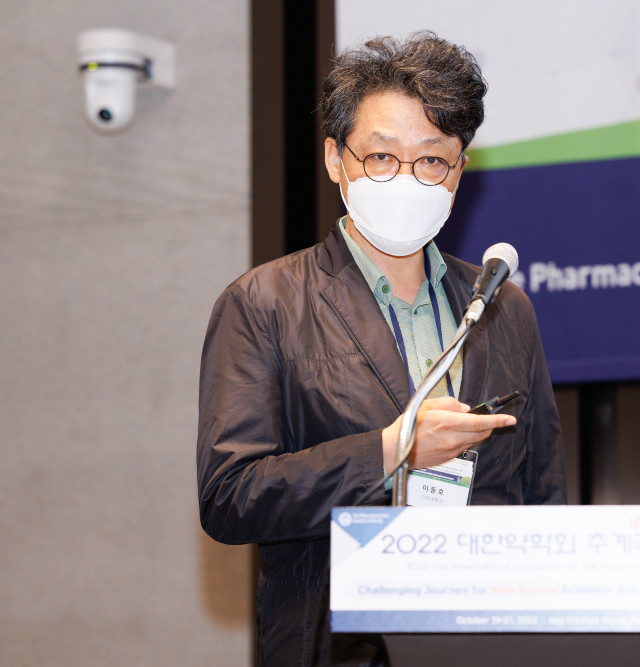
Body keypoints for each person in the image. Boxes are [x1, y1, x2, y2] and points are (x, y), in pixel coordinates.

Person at [196, 32, 567, 665]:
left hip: (487, 642)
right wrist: (392, 451)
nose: (407, 180)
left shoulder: (502, 307)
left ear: (458, 172)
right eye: (381, 157)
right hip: (337, 645)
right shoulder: (264, 304)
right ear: (335, 159)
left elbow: (543, 501)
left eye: (432, 161)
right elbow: (231, 497)